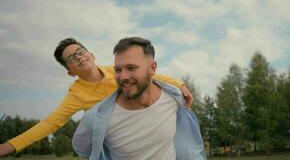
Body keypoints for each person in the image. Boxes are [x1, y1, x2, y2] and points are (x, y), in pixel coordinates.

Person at [0, 38, 193, 156]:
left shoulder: (116, 71)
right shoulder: (76, 95)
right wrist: (10, 146)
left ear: (91, 54)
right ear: (70, 71)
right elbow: (51, 123)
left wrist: (180, 85)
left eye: (80, 52)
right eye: (72, 59)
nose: (79, 57)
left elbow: (150, 75)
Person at [72, 37, 206, 160]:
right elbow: (84, 150)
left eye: (131, 68)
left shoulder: (174, 98)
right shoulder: (94, 119)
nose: (123, 77)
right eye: (118, 70)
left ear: (152, 68)